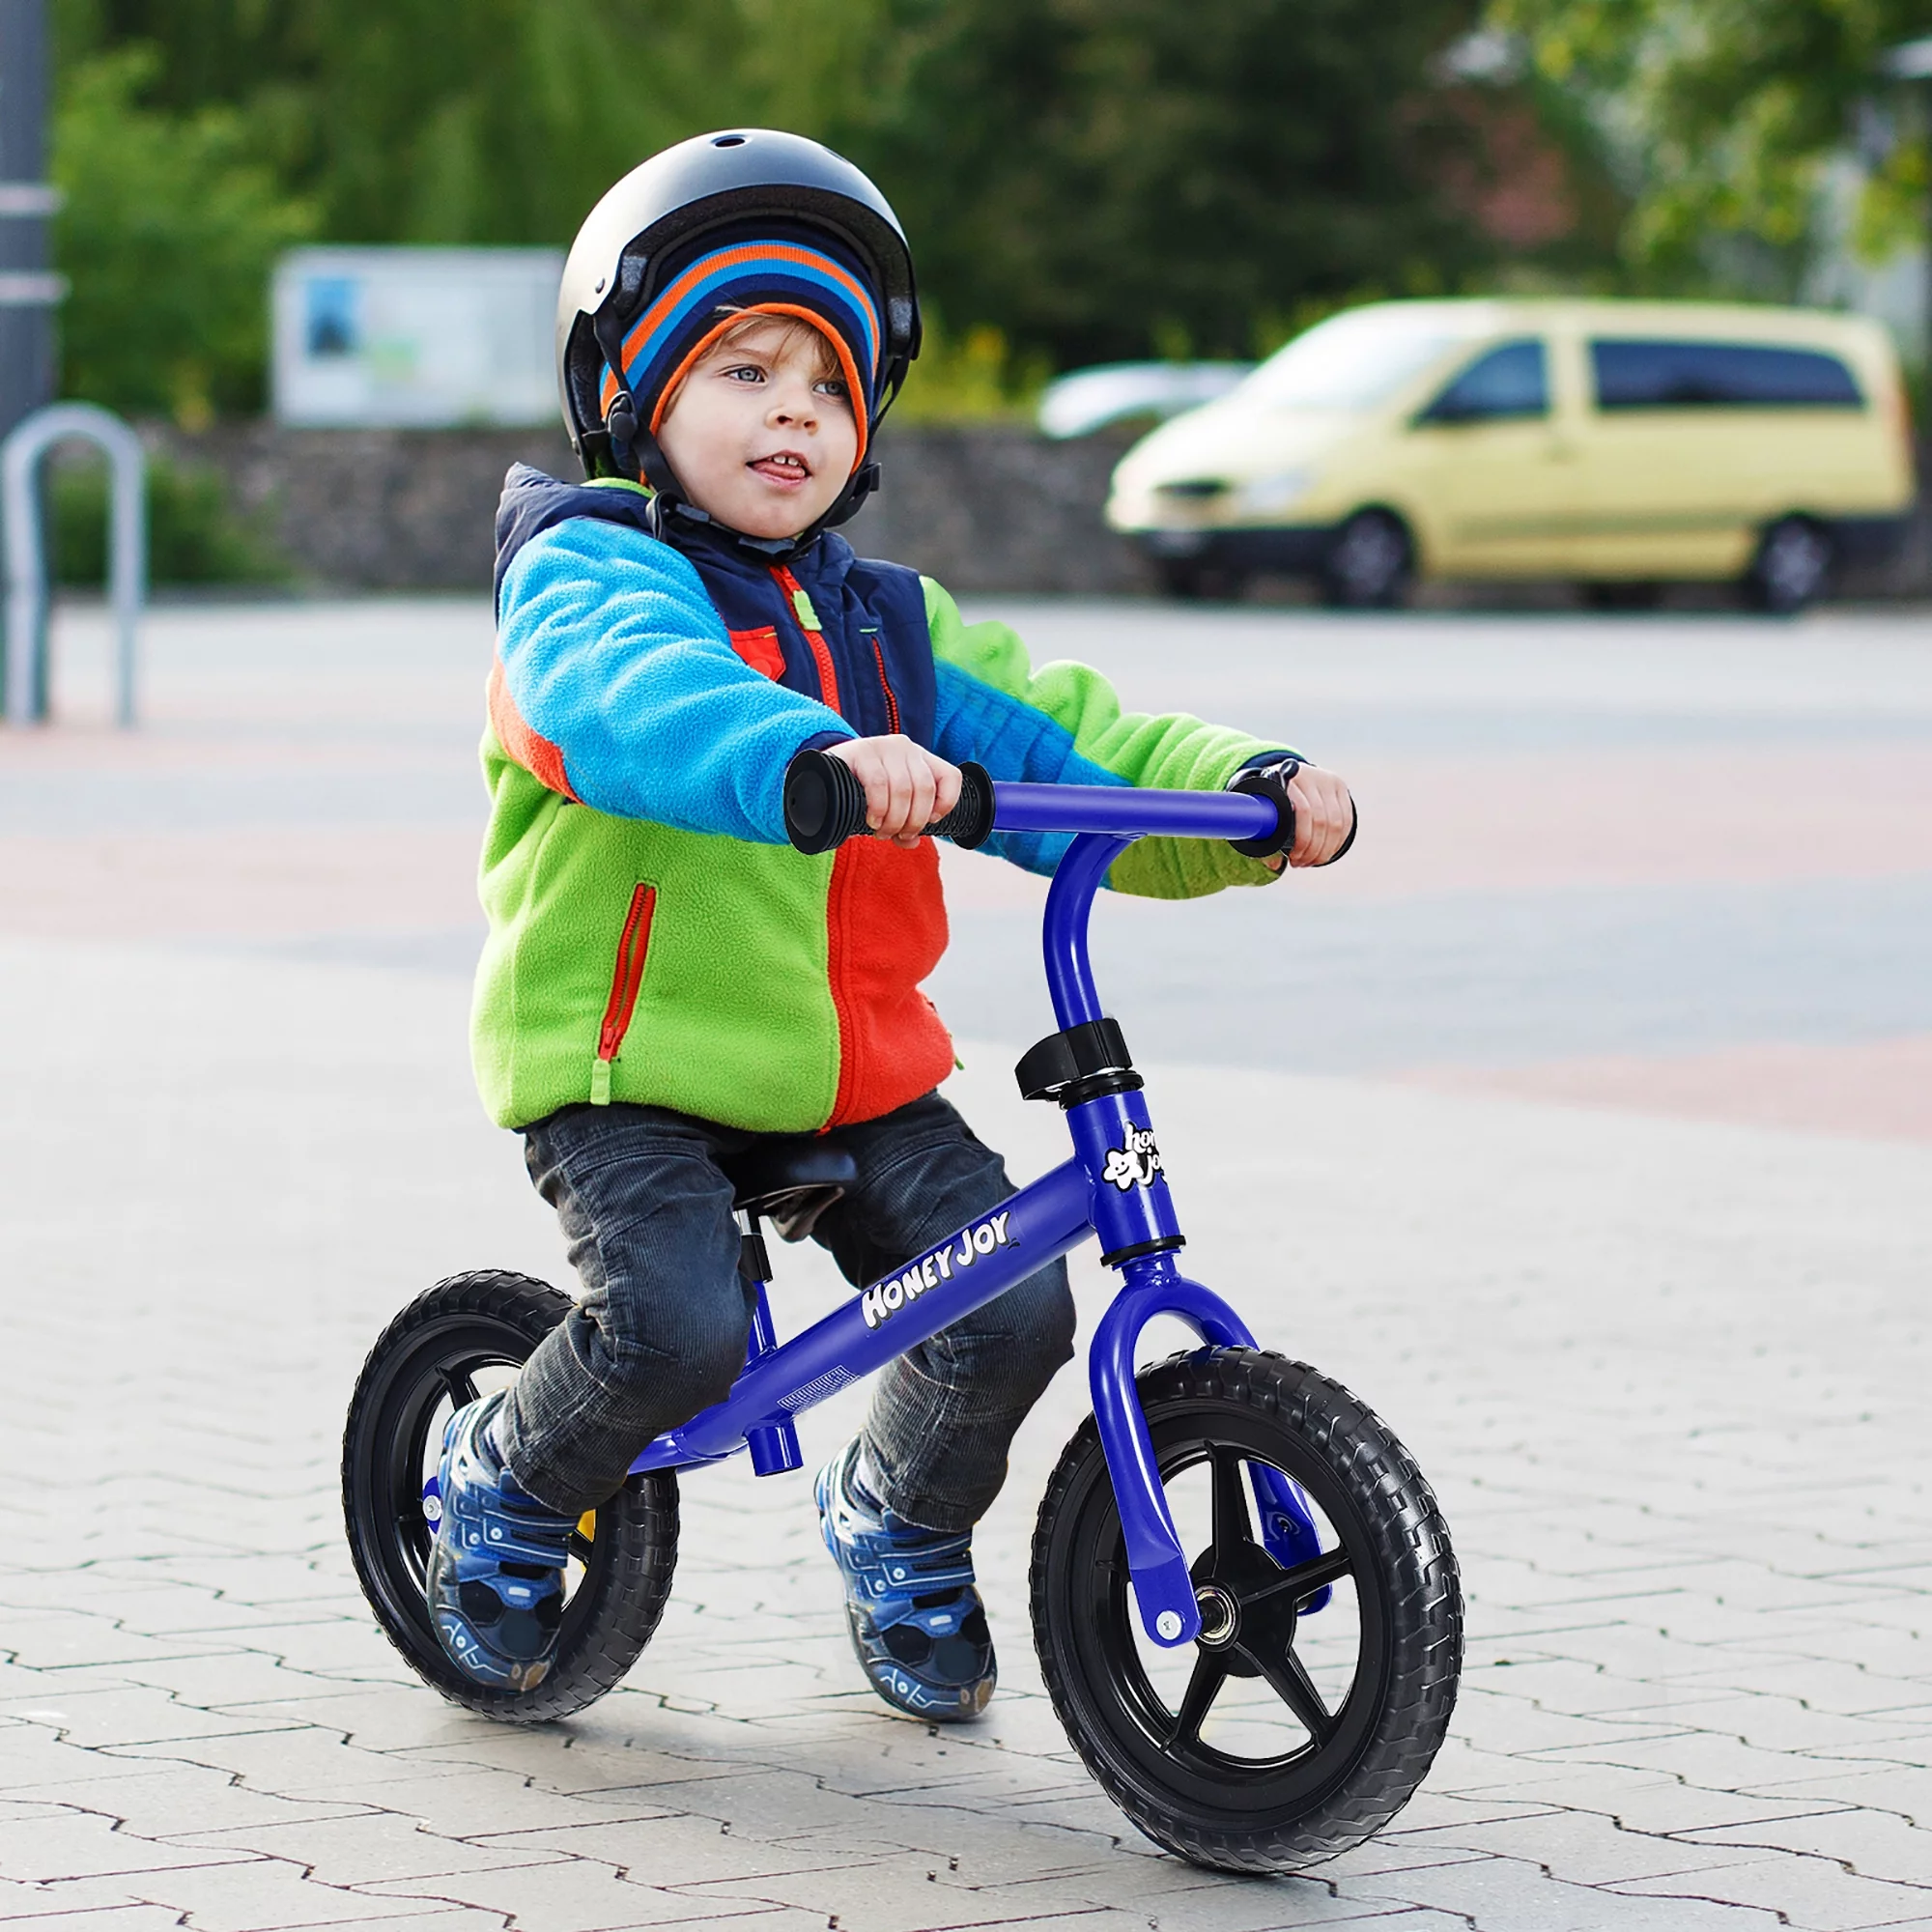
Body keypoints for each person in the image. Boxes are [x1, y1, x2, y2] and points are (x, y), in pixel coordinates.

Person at [427, 128, 1355, 1717]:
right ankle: (501, 1484)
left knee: (1009, 1306)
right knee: (675, 1325)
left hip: (852, 1069)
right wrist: (806, 756)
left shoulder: (890, 626)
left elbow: (1078, 742)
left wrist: (1248, 792)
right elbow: (634, 700)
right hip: (627, 1068)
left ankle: (900, 1520)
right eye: (745, 368)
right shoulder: (591, 575)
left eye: (828, 385)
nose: (794, 408)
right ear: (639, 404)